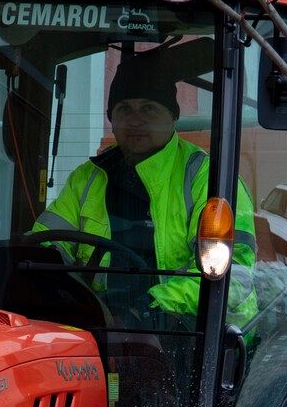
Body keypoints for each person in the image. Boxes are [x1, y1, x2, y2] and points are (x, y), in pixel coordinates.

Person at [33, 54, 256, 323]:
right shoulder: (88, 177)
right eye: (124, 109)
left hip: (189, 327)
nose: (135, 120)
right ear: (112, 118)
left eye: (149, 108)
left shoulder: (208, 177)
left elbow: (234, 276)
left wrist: (152, 306)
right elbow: (47, 244)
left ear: (172, 116)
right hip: (103, 324)